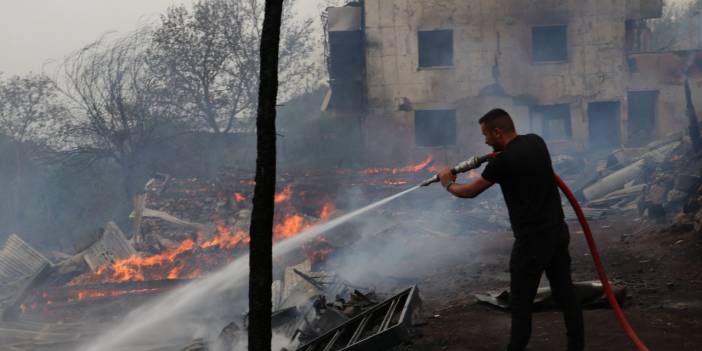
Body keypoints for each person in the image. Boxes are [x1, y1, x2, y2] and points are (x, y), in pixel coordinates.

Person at [438, 108, 584, 351]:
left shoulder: (503, 162)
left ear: (498, 131)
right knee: (565, 293)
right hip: (557, 232)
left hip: (531, 240)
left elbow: (470, 191)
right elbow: (520, 162)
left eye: (486, 134)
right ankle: (576, 346)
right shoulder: (536, 142)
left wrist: (448, 183)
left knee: (521, 302)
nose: (484, 140)